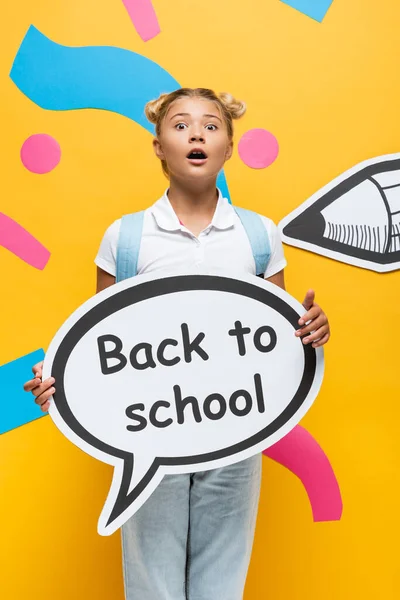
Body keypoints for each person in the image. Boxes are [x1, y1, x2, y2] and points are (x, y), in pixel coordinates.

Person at [23, 87, 330, 600]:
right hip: (149, 434)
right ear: (159, 146)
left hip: (236, 428)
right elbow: (102, 346)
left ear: (228, 149)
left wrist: (311, 331)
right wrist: (64, 384)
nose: (196, 134)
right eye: (181, 124)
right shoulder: (126, 238)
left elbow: (278, 341)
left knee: (222, 579)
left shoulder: (258, 235)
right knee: (151, 581)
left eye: (211, 126)